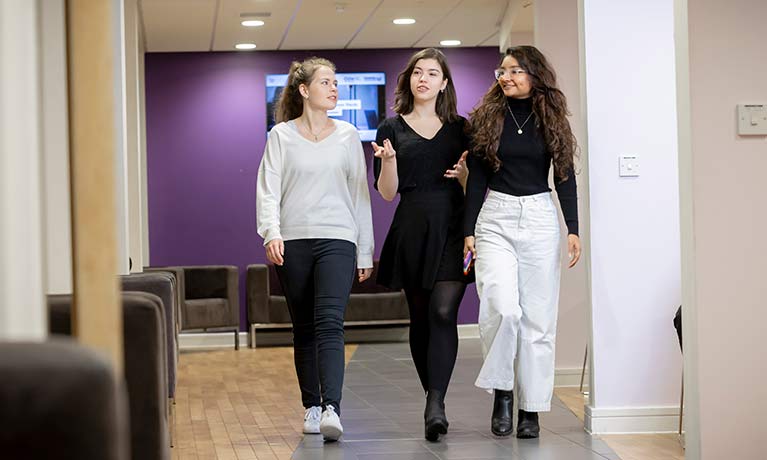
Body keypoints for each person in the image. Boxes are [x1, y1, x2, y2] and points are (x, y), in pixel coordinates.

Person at [463, 46, 582, 439]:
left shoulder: (551, 119)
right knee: (502, 308)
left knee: (538, 319)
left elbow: (563, 175)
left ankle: (531, 409)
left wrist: (573, 228)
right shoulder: (487, 117)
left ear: (535, 74)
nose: (506, 76)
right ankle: (503, 391)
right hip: (494, 216)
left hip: (540, 216)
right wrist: (469, 229)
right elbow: (477, 179)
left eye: (515, 70)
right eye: (502, 70)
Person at [256, 57, 374, 442]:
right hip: (293, 240)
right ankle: (311, 404)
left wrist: (364, 250)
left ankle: (332, 409)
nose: (334, 88)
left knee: (329, 322)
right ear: (304, 90)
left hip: (338, 237)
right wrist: (270, 232)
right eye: (326, 82)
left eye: (336, 82)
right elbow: (268, 190)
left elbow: (360, 197)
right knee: (304, 327)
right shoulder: (281, 136)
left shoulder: (348, 135)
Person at [372, 48, 471, 442]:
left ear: (444, 83)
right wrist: (391, 162)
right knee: (420, 318)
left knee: (443, 312)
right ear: (409, 81)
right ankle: (433, 397)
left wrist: (464, 176)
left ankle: (435, 402)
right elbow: (386, 193)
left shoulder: (462, 128)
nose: (424, 79)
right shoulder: (389, 129)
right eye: (418, 72)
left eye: (432, 73)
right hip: (411, 226)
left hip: (454, 226)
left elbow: (473, 188)